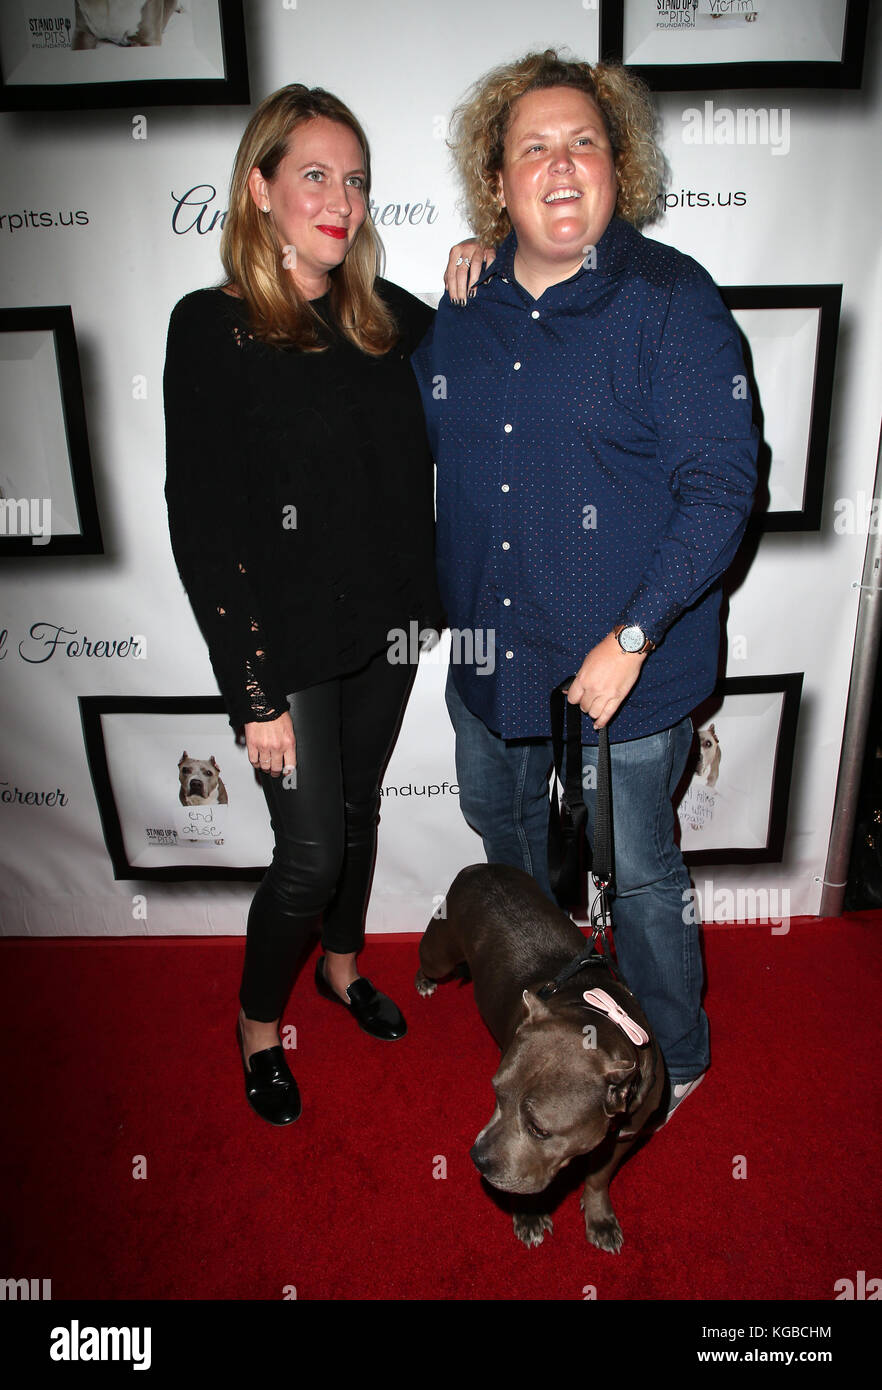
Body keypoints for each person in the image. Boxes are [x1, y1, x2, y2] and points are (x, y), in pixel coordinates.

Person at [414, 50, 758, 1122]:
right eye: (533, 148)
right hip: (494, 662)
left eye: (584, 143)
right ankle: (551, 1021)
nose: (561, 165)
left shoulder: (671, 301)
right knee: (510, 860)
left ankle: (680, 1054)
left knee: (643, 873)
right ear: (498, 181)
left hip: (627, 677)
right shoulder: (459, 311)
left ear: (620, 167)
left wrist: (635, 632)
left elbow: (721, 486)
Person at [164, 84, 453, 1126]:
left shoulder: (386, 319)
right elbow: (199, 524)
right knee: (310, 853)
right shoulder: (213, 327)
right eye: (315, 175)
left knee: (362, 814)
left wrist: (477, 267)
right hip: (286, 641)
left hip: (391, 621)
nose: (342, 199)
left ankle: (338, 970)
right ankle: (255, 1025)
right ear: (260, 187)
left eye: (358, 178)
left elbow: (491, 335)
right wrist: (252, 692)